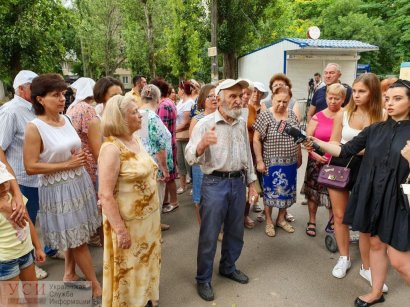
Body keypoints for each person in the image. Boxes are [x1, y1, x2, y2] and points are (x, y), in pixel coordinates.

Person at [304, 79, 410, 307]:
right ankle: (375, 292)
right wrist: (315, 141)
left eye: (398, 98)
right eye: (388, 98)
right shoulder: (376, 129)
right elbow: (344, 149)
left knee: (400, 261)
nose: (390, 103)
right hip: (373, 194)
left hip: (400, 200)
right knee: (376, 246)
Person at [23, 73, 102, 303]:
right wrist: (66, 164)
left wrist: (79, 159)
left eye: (63, 95)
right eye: (55, 95)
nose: (62, 99)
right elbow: (30, 166)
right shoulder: (34, 127)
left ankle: (69, 273)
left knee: (76, 235)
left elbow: (72, 148)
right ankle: (95, 286)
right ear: (40, 99)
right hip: (58, 190)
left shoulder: (65, 119)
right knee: (77, 240)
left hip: (78, 183)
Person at [185, 79, 258, 301]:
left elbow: (247, 154)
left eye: (240, 95)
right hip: (214, 184)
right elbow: (189, 155)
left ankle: (228, 266)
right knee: (209, 234)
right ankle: (203, 278)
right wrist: (201, 145)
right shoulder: (205, 124)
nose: (238, 100)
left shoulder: (240, 121)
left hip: (237, 182)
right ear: (219, 99)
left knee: (235, 231)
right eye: (232, 96)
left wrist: (252, 183)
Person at [324, 74, 387, 291]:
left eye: (363, 91)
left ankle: (367, 267)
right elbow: (334, 140)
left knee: (363, 219)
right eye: (355, 91)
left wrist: (356, 148)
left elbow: (382, 148)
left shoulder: (383, 115)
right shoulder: (343, 113)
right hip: (341, 163)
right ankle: (344, 257)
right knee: (340, 215)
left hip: (368, 168)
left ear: (374, 93)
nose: (357, 95)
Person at [98, 94, 161, 307]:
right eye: (134, 112)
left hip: (147, 224)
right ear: (120, 118)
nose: (140, 115)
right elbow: (105, 195)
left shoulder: (135, 140)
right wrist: (121, 230)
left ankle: (146, 300)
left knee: (145, 266)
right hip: (129, 227)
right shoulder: (111, 149)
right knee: (130, 270)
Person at [0, 70, 61, 281]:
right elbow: (0, 147)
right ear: (20, 89)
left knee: (44, 217)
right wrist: (10, 180)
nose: (35, 89)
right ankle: (29, 262)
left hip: (41, 177)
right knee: (26, 222)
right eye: (30, 86)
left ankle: (48, 249)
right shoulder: (11, 111)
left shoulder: (35, 108)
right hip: (23, 180)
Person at [253, 86, 302, 237]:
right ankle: (269, 221)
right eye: (278, 101)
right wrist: (260, 161)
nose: (281, 104)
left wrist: (299, 155)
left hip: (290, 163)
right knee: (270, 194)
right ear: (272, 99)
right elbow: (256, 139)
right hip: (271, 163)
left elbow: (298, 137)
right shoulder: (266, 115)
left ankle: (281, 219)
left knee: (287, 194)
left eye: (285, 102)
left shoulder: (292, 115)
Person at [301, 83, 346, 237]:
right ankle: (312, 221)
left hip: (336, 162)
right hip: (316, 160)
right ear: (326, 97)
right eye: (330, 98)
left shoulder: (346, 116)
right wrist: (314, 155)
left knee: (333, 194)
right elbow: (307, 140)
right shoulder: (317, 116)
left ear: (343, 99)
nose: (333, 101)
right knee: (313, 193)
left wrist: (330, 157)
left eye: (337, 98)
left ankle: (333, 222)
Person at [0, 161, 46, 305]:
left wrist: (38, 247)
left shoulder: (16, 199)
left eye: (5, 181)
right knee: (11, 301)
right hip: (5, 259)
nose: (3, 187)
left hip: (26, 253)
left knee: (33, 295)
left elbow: (28, 223)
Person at [66, 77, 103, 247]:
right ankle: (96, 234)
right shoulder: (87, 109)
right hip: (90, 159)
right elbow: (93, 139)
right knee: (96, 197)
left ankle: (90, 233)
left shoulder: (72, 107)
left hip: (78, 158)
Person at [137, 84, 173, 231]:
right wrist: (164, 168)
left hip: (142, 164)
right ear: (158, 99)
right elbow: (159, 146)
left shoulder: (138, 114)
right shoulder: (153, 117)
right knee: (155, 199)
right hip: (155, 166)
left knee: (146, 199)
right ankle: (153, 230)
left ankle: (154, 226)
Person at [188, 84, 217, 224]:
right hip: (200, 164)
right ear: (203, 100)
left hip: (217, 164)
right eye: (209, 96)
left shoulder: (223, 117)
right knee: (200, 198)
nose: (214, 98)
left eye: (216, 95)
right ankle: (203, 227)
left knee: (216, 198)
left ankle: (216, 226)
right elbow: (192, 147)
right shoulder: (197, 119)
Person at [151, 78, 179, 214]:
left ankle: (173, 201)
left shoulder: (163, 105)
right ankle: (168, 200)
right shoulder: (169, 102)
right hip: (171, 141)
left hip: (166, 145)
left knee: (169, 174)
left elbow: (161, 129)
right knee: (168, 173)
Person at [175, 80, 195, 195]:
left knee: (189, 163)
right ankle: (183, 185)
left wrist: (173, 130)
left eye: (179, 89)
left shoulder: (189, 103)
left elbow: (186, 123)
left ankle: (193, 185)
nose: (177, 91)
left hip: (185, 136)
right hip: (178, 137)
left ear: (182, 90)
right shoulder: (181, 102)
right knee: (181, 161)